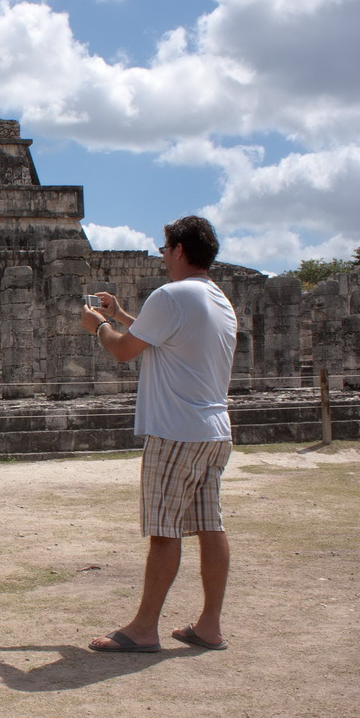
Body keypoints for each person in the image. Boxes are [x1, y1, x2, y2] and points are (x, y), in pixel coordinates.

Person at [80, 215, 238, 653]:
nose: (162, 255)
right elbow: (168, 337)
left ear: (181, 251)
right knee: (210, 525)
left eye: (166, 248)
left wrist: (98, 326)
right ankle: (209, 625)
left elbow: (124, 350)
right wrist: (121, 314)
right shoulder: (217, 299)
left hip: (176, 432)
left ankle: (144, 628)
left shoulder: (171, 295)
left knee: (164, 530)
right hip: (214, 431)